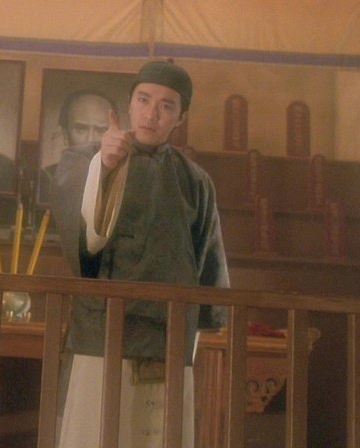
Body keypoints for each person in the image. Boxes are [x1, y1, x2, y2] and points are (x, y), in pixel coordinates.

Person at [50, 60, 229, 447]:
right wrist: (105, 166)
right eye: (144, 100)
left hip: (167, 336)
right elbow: (82, 244)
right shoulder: (84, 159)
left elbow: (206, 263)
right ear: (129, 103)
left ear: (180, 118)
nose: (152, 113)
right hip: (102, 332)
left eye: (166, 105)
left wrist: (198, 328)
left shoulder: (195, 181)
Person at [39, 90, 118, 202]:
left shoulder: (123, 181)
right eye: (81, 129)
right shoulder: (47, 180)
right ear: (65, 134)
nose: (90, 140)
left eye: (101, 131)